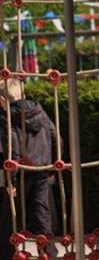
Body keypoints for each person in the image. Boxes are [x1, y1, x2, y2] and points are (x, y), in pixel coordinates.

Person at [0, 79, 59, 259]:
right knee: (41, 211)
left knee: (10, 217)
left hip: (20, 171)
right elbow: (55, 137)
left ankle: (7, 254)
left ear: (2, 99)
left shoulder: (7, 117)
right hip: (41, 168)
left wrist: (13, 179)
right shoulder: (40, 112)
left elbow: (13, 147)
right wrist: (52, 165)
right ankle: (49, 252)